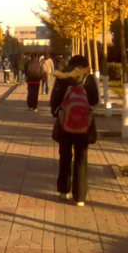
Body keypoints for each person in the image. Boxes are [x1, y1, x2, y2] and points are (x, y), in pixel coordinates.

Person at [50, 55, 99, 207]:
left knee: (64, 156)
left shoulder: (62, 77)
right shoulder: (89, 78)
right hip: (84, 126)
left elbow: (55, 100)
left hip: (65, 124)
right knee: (81, 158)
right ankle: (80, 197)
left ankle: (64, 191)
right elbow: (95, 100)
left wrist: (57, 113)